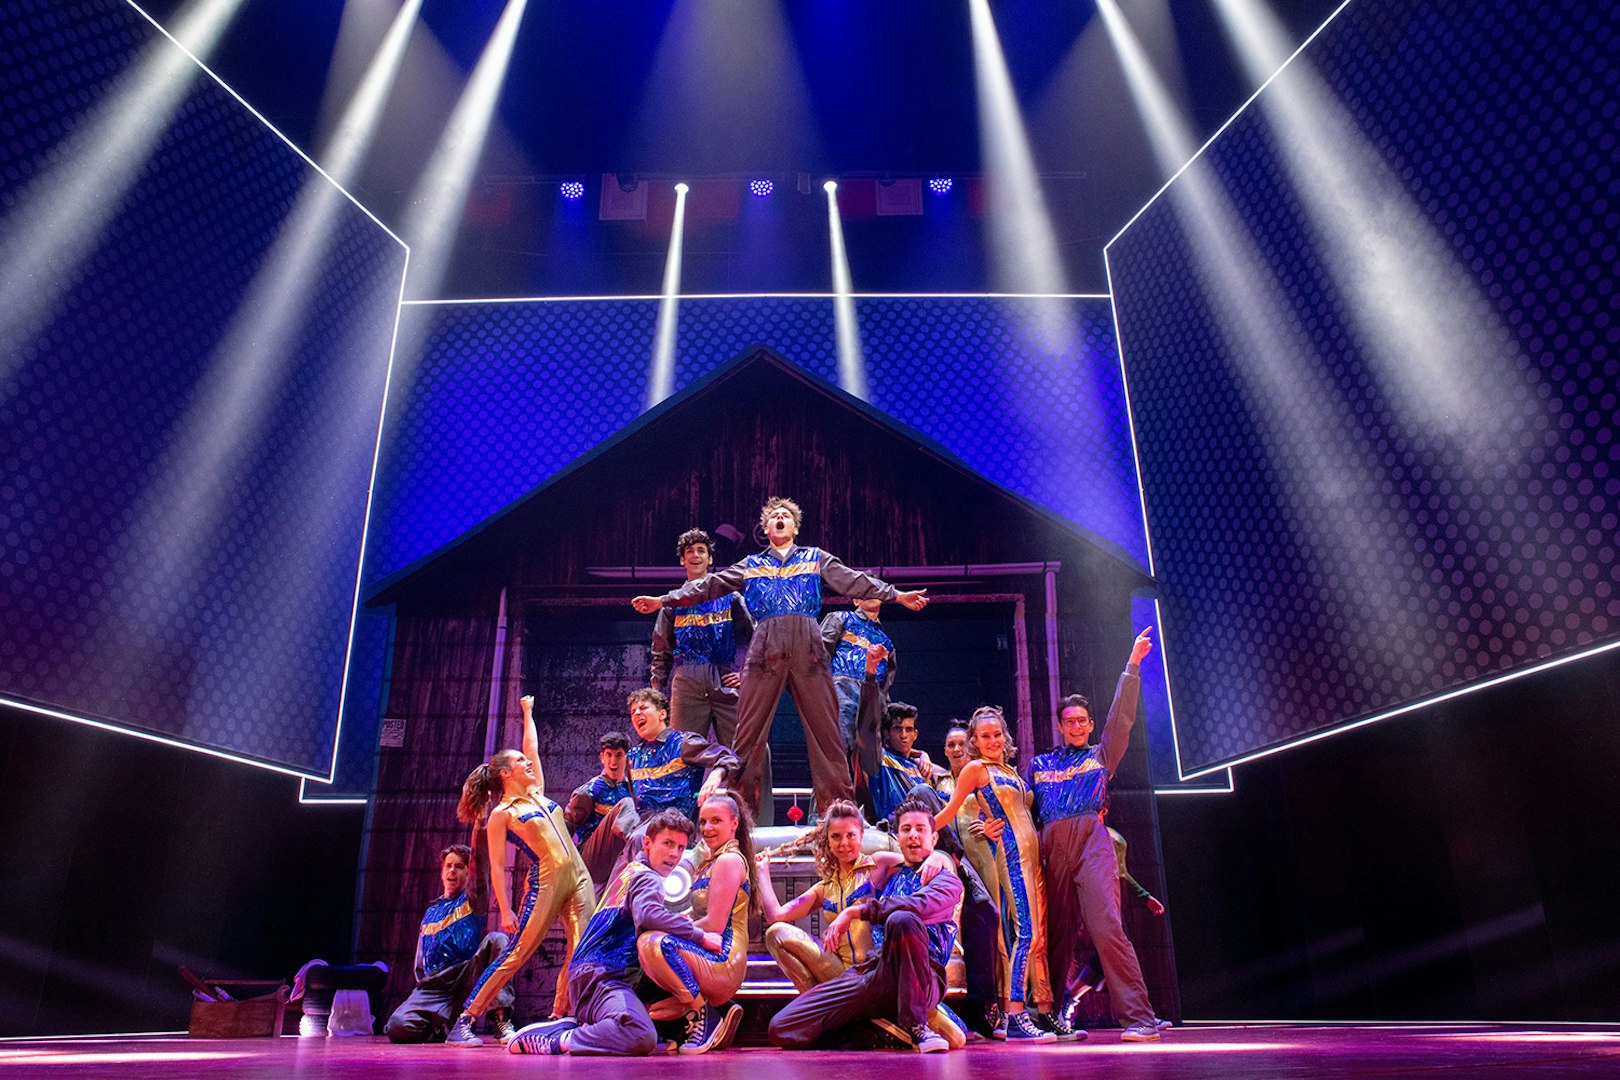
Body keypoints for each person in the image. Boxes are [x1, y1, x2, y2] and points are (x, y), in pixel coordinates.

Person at [632, 497, 929, 824]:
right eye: (774, 516)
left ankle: (838, 814)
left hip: (807, 642)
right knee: (747, 733)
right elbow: (708, 586)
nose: (780, 518)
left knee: (827, 732)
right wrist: (663, 600)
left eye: (786, 515)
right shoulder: (751, 564)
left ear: (795, 527)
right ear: (766, 528)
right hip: (766, 644)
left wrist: (896, 595)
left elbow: (853, 580)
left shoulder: (815, 557)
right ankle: (740, 817)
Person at [1030, 628, 1166, 1042]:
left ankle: (1140, 1019)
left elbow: (1121, 719)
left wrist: (1132, 665)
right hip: (1051, 848)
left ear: (1090, 725)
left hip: (1092, 843)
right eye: (1069, 721)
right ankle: (1048, 1016)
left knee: (1107, 925)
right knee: (1055, 934)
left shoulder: (1101, 756)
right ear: (1060, 725)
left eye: (1082, 721)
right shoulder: (1038, 764)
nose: (1076, 726)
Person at [506, 809, 724, 1056]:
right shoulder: (648, 878)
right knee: (640, 1034)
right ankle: (562, 1039)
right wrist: (699, 935)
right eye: (668, 843)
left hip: (588, 976)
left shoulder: (629, 872)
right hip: (602, 976)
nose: (674, 854)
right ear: (647, 843)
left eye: (681, 848)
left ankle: (583, 1027)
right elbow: (648, 914)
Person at [447, 695, 597, 1046]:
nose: (528, 763)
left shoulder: (538, 793)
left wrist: (528, 713)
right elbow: (498, 865)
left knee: (582, 947)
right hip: (545, 882)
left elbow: (534, 749)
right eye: (520, 762)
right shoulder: (503, 814)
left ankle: (561, 1016)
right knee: (518, 952)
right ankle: (466, 1019)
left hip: (579, 877)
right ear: (505, 773)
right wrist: (505, 909)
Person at [768, 794, 967, 1053]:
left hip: (922, 981)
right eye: (906, 829)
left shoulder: (945, 879)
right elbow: (778, 915)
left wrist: (856, 911)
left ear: (934, 837)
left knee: (902, 919)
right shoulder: (891, 875)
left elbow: (918, 906)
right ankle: (872, 1031)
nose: (913, 836)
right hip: (877, 977)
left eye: (921, 830)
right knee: (782, 1027)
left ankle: (916, 1027)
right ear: (897, 837)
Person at [931, 707, 1071, 1042]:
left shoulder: (1007, 769)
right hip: (1012, 857)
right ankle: (1016, 1015)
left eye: (997, 735)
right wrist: (915, 832)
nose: (992, 741)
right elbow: (950, 812)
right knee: (1025, 934)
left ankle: (1022, 1013)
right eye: (985, 736)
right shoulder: (975, 769)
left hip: (1032, 858)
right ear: (975, 741)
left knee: (1029, 935)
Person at [636, 792, 756, 1053]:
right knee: (647, 994)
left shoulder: (728, 861)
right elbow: (700, 917)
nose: (707, 828)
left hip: (723, 957)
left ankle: (703, 1014)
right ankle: (696, 1017)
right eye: (703, 822)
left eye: (716, 821)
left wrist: (671, 926)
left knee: (653, 943)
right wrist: (682, 922)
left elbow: (714, 925)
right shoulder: (710, 862)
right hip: (708, 950)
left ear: (734, 823)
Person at [385, 845, 513, 1043]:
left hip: (465, 977)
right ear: (442, 871)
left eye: (459, 866)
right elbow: (420, 959)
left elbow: (480, 868)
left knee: (498, 939)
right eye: (448, 866)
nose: (452, 870)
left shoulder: (472, 900)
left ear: (468, 873)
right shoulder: (430, 912)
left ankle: (501, 1022)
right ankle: (439, 1029)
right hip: (434, 987)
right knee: (397, 1026)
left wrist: (480, 828)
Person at [649, 528, 756, 755]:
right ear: (682, 560)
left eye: (701, 550)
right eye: (690, 551)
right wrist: (656, 693)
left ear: (710, 558)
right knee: (682, 754)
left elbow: (757, 637)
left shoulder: (731, 597)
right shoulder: (670, 603)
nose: (696, 555)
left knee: (744, 749)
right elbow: (661, 651)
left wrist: (747, 673)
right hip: (686, 681)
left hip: (724, 678)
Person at [625, 687, 738, 825]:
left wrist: (716, 774)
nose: (637, 713)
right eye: (633, 711)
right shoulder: (633, 757)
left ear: (662, 714)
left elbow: (727, 756)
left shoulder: (683, 743)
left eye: (643, 708)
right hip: (642, 830)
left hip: (676, 829)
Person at [821, 597, 896, 749]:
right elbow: (818, 656)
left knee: (870, 758)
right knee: (839, 749)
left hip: (874, 700)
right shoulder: (840, 619)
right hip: (841, 691)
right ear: (856, 601)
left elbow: (886, 686)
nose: (871, 594)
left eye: (875, 590)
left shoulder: (887, 643)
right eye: (865, 591)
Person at [563, 730, 633, 887]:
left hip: (619, 859)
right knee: (626, 805)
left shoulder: (633, 789)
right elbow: (565, 828)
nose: (613, 761)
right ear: (602, 757)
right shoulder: (589, 791)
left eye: (619, 755)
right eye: (609, 755)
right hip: (593, 858)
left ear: (627, 758)